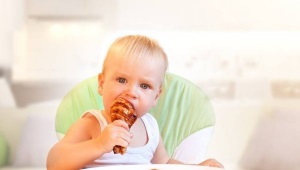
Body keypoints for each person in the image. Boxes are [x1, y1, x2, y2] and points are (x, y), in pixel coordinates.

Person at [47, 35, 224, 169]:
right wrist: (99, 144)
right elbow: (54, 162)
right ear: (101, 84)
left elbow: (165, 163)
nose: (131, 92)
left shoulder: (151, 127)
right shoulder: (91, 124)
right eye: (122, 80)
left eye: (145, 86)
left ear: (156, 97)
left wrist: (198, 167)